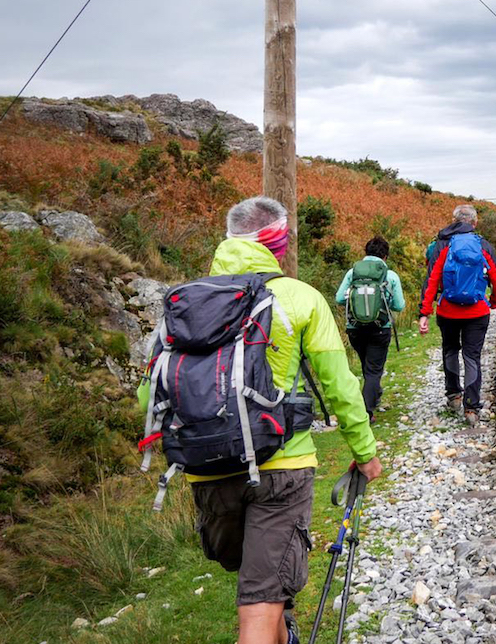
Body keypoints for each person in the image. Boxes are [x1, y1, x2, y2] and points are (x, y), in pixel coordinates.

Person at [142, 196, 382, 644]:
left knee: (261, 584)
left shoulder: (185, 302)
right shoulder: (299, 296)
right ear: (277, 242)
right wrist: (365, 452)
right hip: (281, 464)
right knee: (260, 600)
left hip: (205, 466)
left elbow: (149, 392)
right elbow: (340, 385)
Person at [419, 204, 496, 428]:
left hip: (447, 311)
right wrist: (494, 302)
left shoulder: (442, 245)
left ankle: (454, 395)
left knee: (450, 350)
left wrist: (424, 312)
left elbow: (431, 280)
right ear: (474, 223)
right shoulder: (483, 245)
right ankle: (471, 406)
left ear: (454, 221)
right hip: (477, 312)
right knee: (471, 356)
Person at [335, 236, 406, 421]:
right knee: (374, 370)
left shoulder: (353, 273)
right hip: (380, 328)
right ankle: (367, 411)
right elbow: (399, 305)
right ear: (385, 256)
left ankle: (373, 392)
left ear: (365, 253)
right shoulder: (390, 275)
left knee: (368, 365)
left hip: (355, 328)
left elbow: (339, 299)